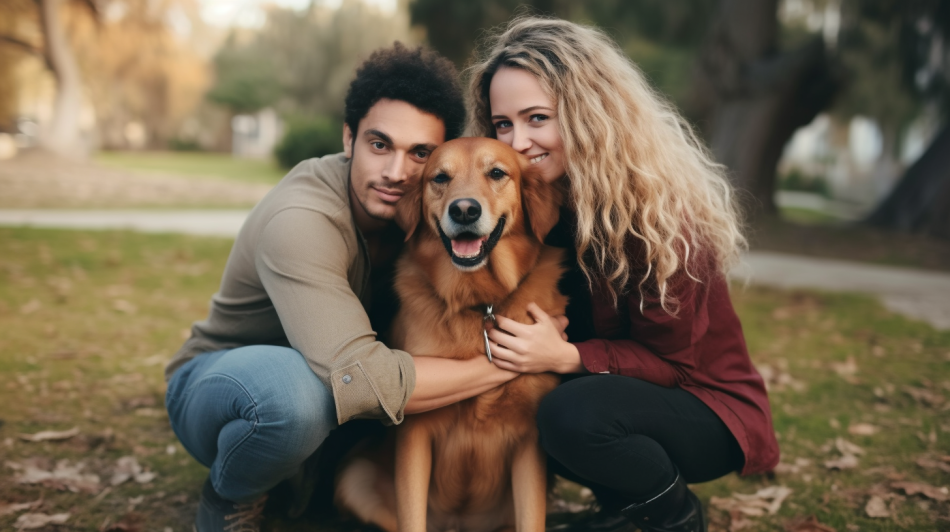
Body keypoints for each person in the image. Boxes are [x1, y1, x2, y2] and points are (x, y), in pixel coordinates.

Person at [164, 43, 524, 531]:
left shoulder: (429, 212)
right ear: (348, 137)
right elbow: (364, 384)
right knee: (295, 397)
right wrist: (509, 366)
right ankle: (231, 497)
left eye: (419, 153)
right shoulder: (301, 220)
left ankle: (308, 478)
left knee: (318, 395)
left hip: (333, 385)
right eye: (380, 145)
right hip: (230, 387)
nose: (397, 173)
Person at [468, 17, 780, 532]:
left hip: (705, 407)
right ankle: (622, 510)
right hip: (611, 393)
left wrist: (566, 356)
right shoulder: (529, 205)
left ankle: (673, 514)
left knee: (569, 413)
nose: (518, 141)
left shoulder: (657, 218)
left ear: (588, 114)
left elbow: (673, 364)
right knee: (544, 402)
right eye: (503, 124)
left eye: (537, 118)